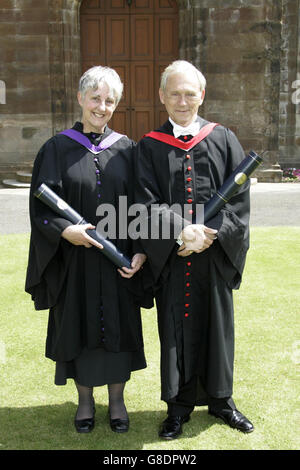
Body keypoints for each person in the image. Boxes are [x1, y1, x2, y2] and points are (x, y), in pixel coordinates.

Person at [134, 60, 254, 439]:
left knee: (218, 329)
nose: (182, 101)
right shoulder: (149, 146)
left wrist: (211, 233)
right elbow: (144, 202)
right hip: (174, 258)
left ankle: (222, 402)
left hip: (215, 257)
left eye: (190, 93)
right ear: (162, 97)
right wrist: (182, 233)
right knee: (174, 331)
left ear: (201, 95)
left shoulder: (223, 139)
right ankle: (178, 407)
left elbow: (240, 199)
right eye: (175, 93)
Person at [25, 66, 148, 434]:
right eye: (95, 98)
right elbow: (41, 208)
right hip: (75, 262)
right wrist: (66, 232)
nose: (102, 106)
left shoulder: (127, 149)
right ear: (80, 99)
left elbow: (142, 206)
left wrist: (141, 251)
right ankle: (84, 402)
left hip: (117, 262)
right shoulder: (56, 149)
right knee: (77, 327)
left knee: (119, 329)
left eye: (110, 100)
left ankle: (117, 400)